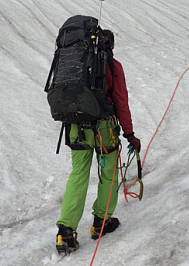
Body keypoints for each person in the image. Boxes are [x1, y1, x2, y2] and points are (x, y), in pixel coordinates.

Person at [56, 29, 141, 254]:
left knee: (78, 174)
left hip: (76, 127)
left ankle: (65, 232)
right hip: (104, 130)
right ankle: (100, 223)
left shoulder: (76, 63)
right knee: (109, 173)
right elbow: (121, 102)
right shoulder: (113, 65)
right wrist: (130, 134)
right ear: (111, 46)